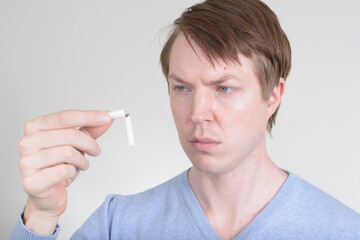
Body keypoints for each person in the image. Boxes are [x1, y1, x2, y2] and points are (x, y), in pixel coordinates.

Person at [10, 0, 360, 239]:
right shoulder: (119, 224)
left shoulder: (343, 231)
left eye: (224, 88)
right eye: (182, 87)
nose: (197, 114)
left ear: (273, 95)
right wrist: (40, 214)